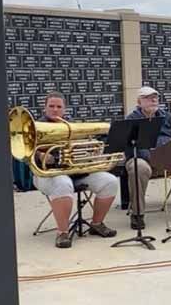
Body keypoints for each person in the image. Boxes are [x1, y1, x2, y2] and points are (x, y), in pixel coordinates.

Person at [32, 92, 118, 248]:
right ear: (44, 108)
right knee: (63, 183)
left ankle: (97, 224)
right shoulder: (35, 128)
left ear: (64, 109)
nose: (55, 110)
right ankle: (62, 233)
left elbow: (85, 148)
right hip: (47, 174)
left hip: (77, 172)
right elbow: (24, 154)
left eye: (59, 107)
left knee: (110, 181)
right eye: (51, 106)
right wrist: (40, 154)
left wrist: (91, 153)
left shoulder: (72, 126)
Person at [124, 86, 171, 230]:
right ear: (139, 102)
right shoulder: (131, 120)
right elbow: (129, 149)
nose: (153, 100)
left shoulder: (167, 117)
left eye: (155, 97)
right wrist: (152, 156)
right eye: (148, 97)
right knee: (138, 167)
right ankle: (137, 214)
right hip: (142, 160)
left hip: (166, 159)